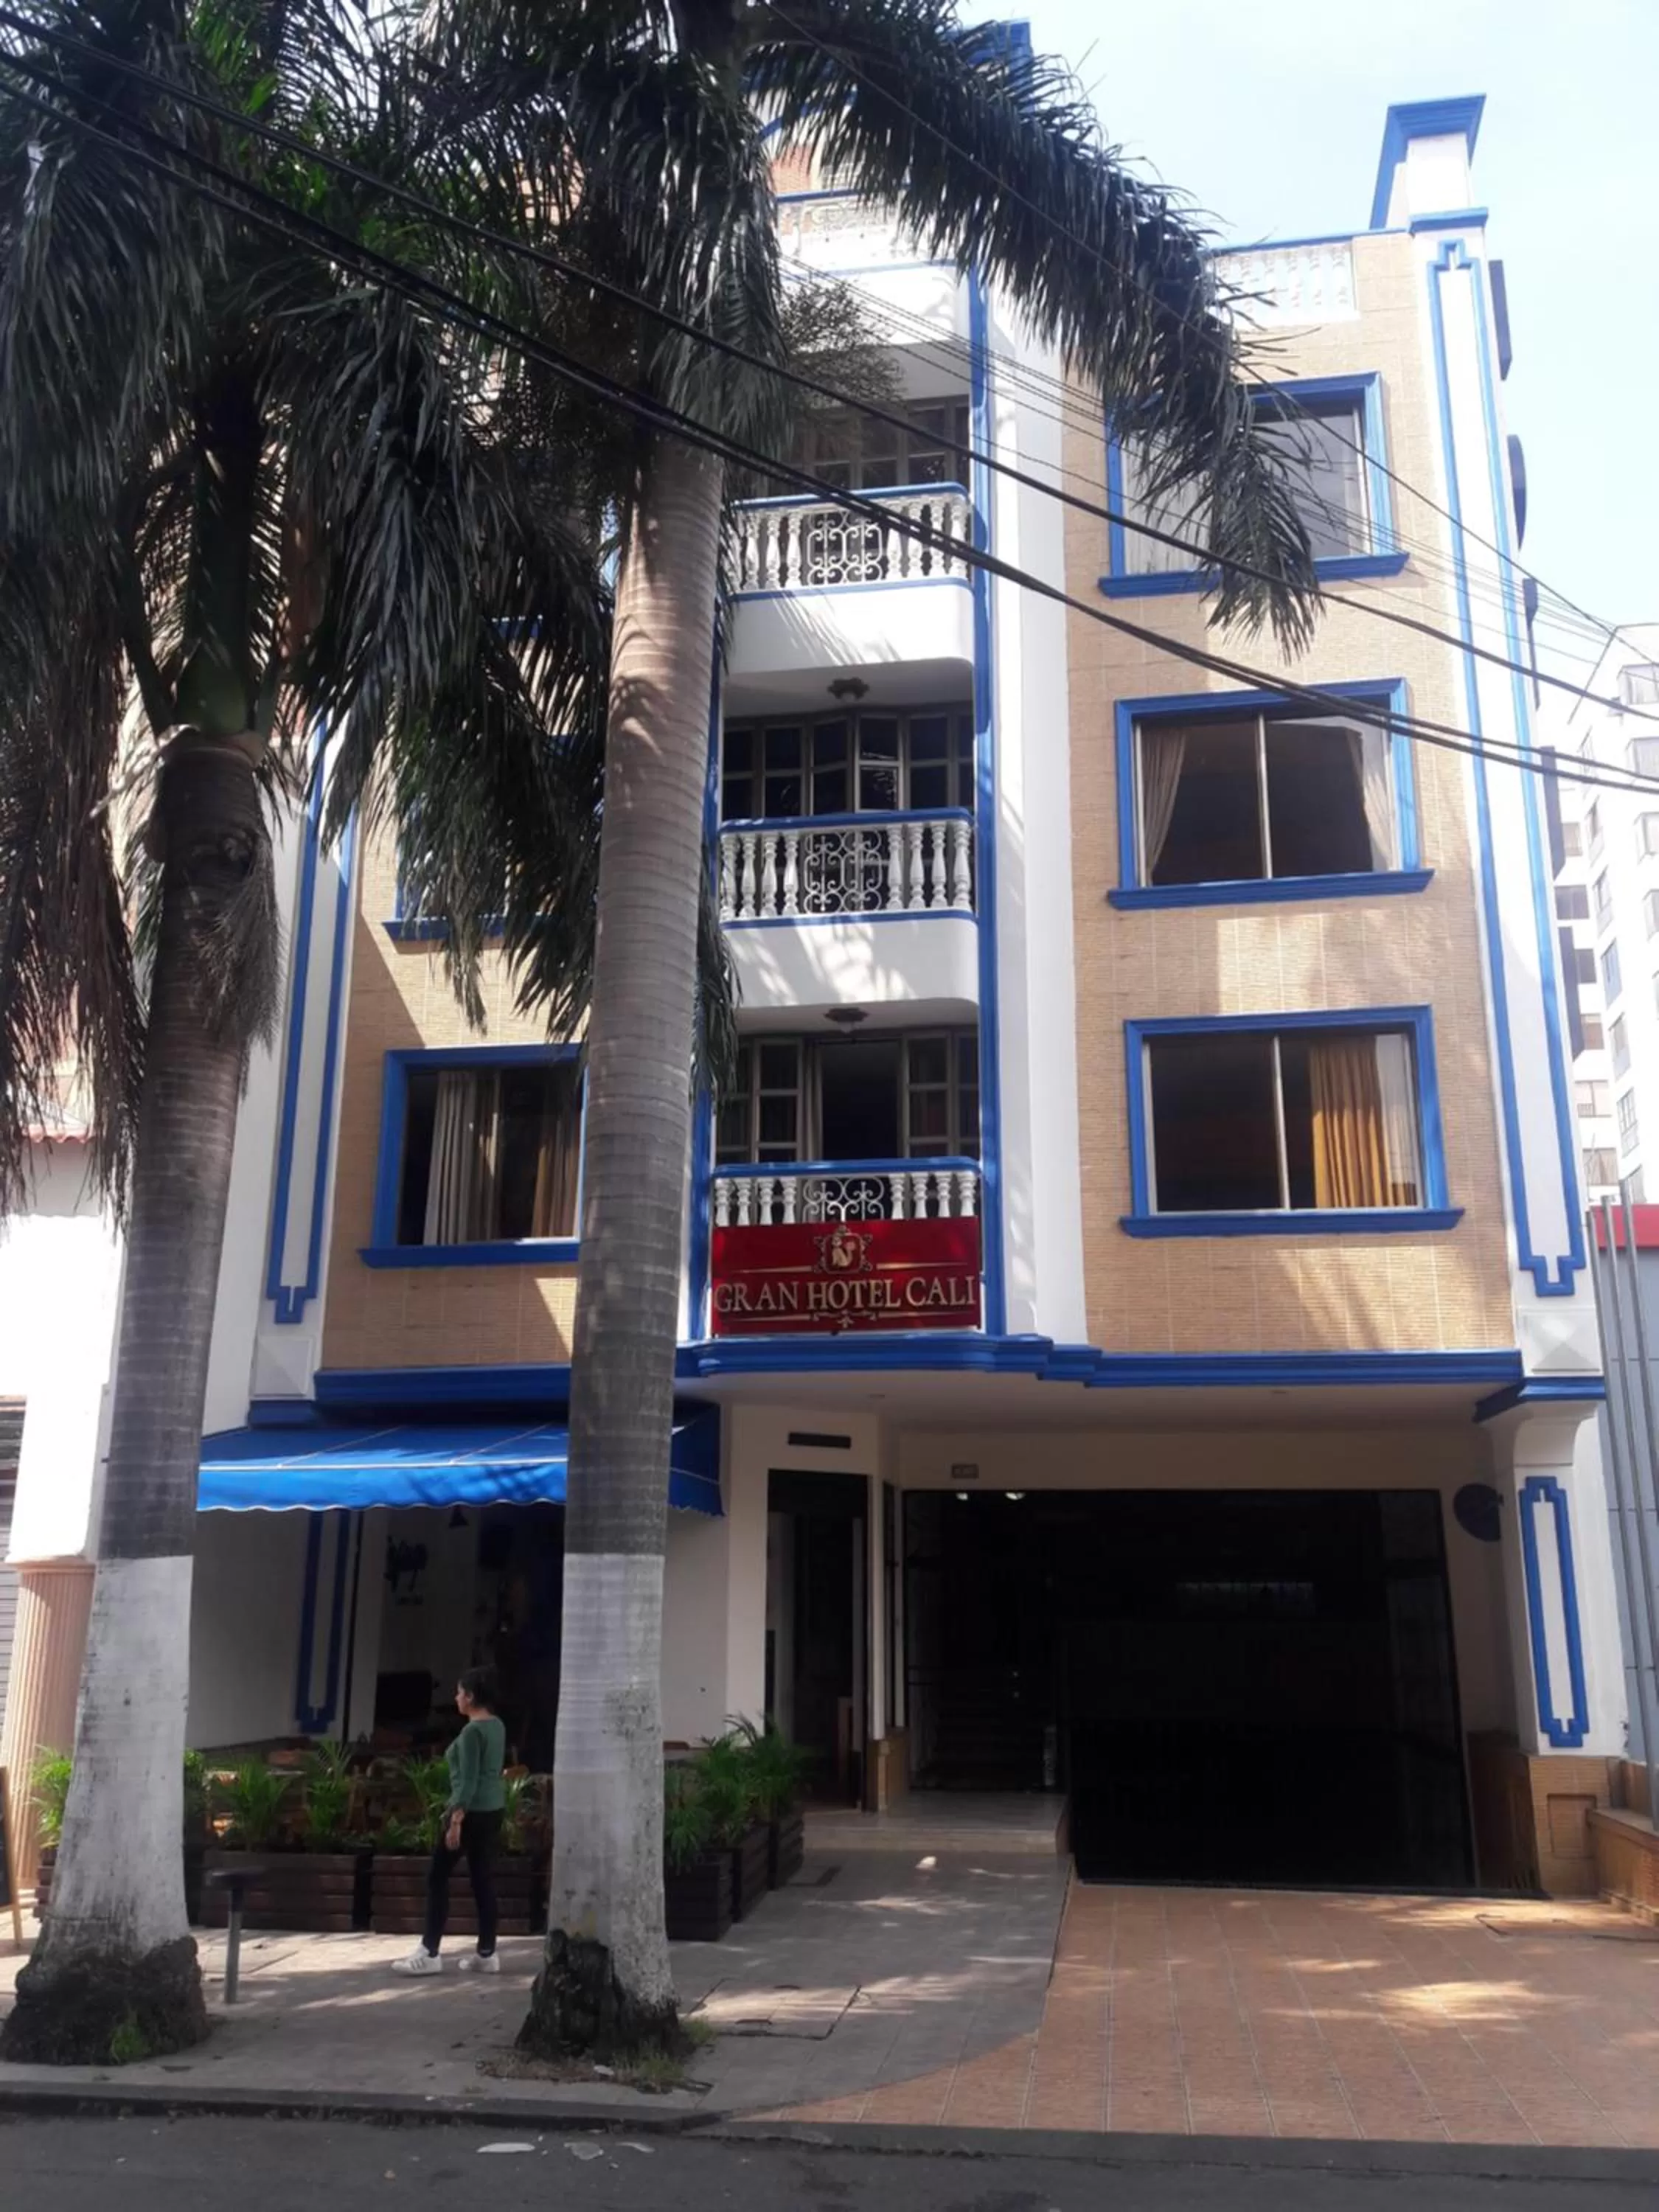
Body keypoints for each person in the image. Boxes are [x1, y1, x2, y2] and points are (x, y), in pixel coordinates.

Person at [392, 1667, 507, 1977]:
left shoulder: (472, 1733)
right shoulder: (497, 1727)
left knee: (437, 1876)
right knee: (482, 1879)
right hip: (493, 1809)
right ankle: (487, 1953)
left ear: (470, 1697)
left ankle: (429, 1952)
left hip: (469, 1813)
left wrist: (456, 1820)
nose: (456, 1698)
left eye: (459, 1693)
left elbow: (467, 1781)